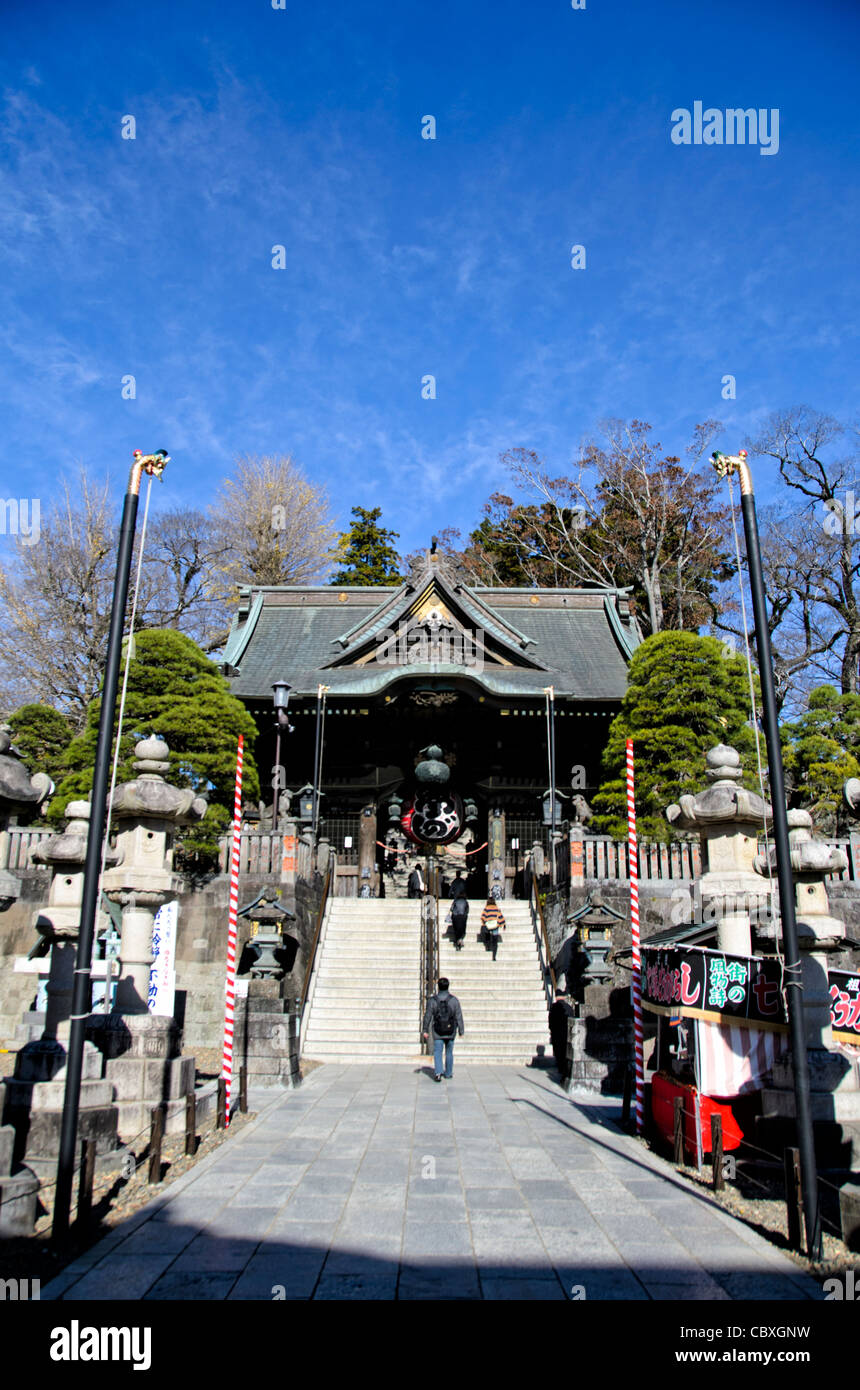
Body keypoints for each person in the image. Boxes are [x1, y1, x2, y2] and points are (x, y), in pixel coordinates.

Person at [422, 977, 464, 1081]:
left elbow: (428, 1015)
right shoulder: (454, 1000)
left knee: (438, 1051)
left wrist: (425, 1029)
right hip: (451, 1030)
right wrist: (461, 1030)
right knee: (449, 1052)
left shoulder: (433, 1000)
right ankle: (448, 1073)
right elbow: (459, 1016)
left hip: (438, 1030)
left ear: (438, 987)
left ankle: (438, 1072)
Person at [548, 990, 575, 1075]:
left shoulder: (553, 1007)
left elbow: (551, 1022)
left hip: (556, 1033)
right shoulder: (569, 1007)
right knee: (565, 1051)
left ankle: (560, 1067)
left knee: (558, 1051)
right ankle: (565, 1068)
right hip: (566, 1033)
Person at [480, 896, 506, 961]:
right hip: (495, 925)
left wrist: (484, 923)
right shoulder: (497, 909)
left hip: (488, 924)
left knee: (487, 934)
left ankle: (488, 945)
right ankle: (494, 956)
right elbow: (500, 916)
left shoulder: (486, 908)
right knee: (495, 941)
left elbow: (483, 917)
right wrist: (503, 924)